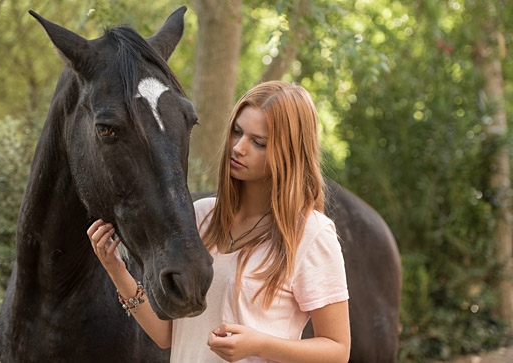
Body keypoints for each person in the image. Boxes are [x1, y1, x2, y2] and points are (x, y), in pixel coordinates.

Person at [88, 80, 350, 362]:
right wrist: (116, 269)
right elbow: (166, 335)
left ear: (289, 154)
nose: (238, 148)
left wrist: (259, 345)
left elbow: (337, 349)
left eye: (258, 142)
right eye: (237, 132)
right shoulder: (200, 217)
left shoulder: (311, 235)